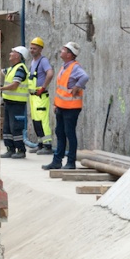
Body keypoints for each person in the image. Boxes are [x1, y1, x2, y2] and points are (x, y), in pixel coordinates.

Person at [42, 42, 89, 170]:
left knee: (69, 133)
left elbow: (85, 77)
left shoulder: (74, 67)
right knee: (60, 133)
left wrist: (78, 86)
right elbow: (60, 89)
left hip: (72, 107)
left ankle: (71, 162)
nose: (60, 51)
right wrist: (56, 104)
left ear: (69, 54)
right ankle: (57, 161)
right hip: (62, 106)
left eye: (63, 50)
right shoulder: (65, 66)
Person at [0, 46, 31, 159]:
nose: (10, 54)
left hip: (17, 103)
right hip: (9, 102)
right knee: (7, 127)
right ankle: (10, 149)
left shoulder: (20, 69)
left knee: (15, 127)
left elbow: (14, 86)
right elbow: (0, 71)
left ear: (18, 55)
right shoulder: (12, 68)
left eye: (13, 52)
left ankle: (21, 150)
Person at [27, 36, 54, 154]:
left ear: (40, 49)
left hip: (40, 95)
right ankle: (40, 143)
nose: (32, 50)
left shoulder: (43, 61)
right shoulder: (33, 62)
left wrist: (43, 87)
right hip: (33, 96)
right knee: (36, 120)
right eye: (31, 48)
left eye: (34, 48)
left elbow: (50, 74)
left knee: (43, 120)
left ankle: (47, 146)